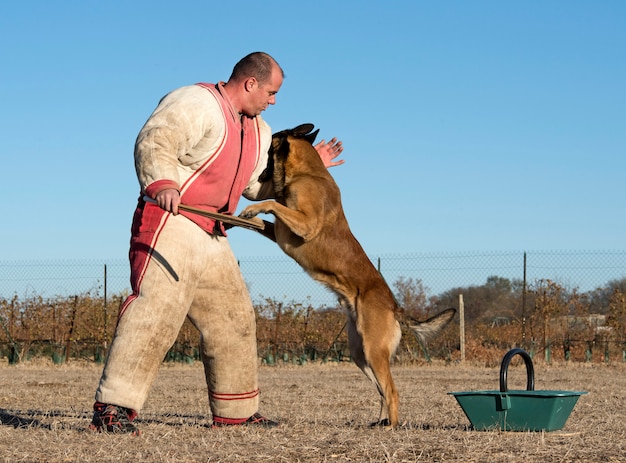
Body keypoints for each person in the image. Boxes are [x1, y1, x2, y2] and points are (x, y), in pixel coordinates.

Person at [89, 52, 344, 435]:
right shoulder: (195, 101)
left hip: (214, 233)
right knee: (156, 311)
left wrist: (312, 165)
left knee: (234, 319)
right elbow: (157, 139)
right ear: (250, 83)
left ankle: (236, 412)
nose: (273, 100)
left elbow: (254, 187)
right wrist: (163, 183)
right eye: (271, 92)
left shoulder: (258, 131)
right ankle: (113, 409)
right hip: (171, 221)